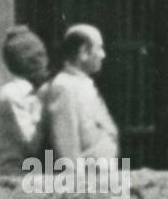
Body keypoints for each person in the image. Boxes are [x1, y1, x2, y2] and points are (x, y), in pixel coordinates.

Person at [38, 24, 119, 162]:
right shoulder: (64, 87)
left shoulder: (82, 84)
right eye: (99, 48)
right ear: (83, 52)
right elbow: (67, 149)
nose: (103, 55)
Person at [0, 26, 49, 174]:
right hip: (18, 175)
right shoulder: (12, 94)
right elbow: (31, 144)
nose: (45, 62)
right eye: (38, 56)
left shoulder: (36, 92)